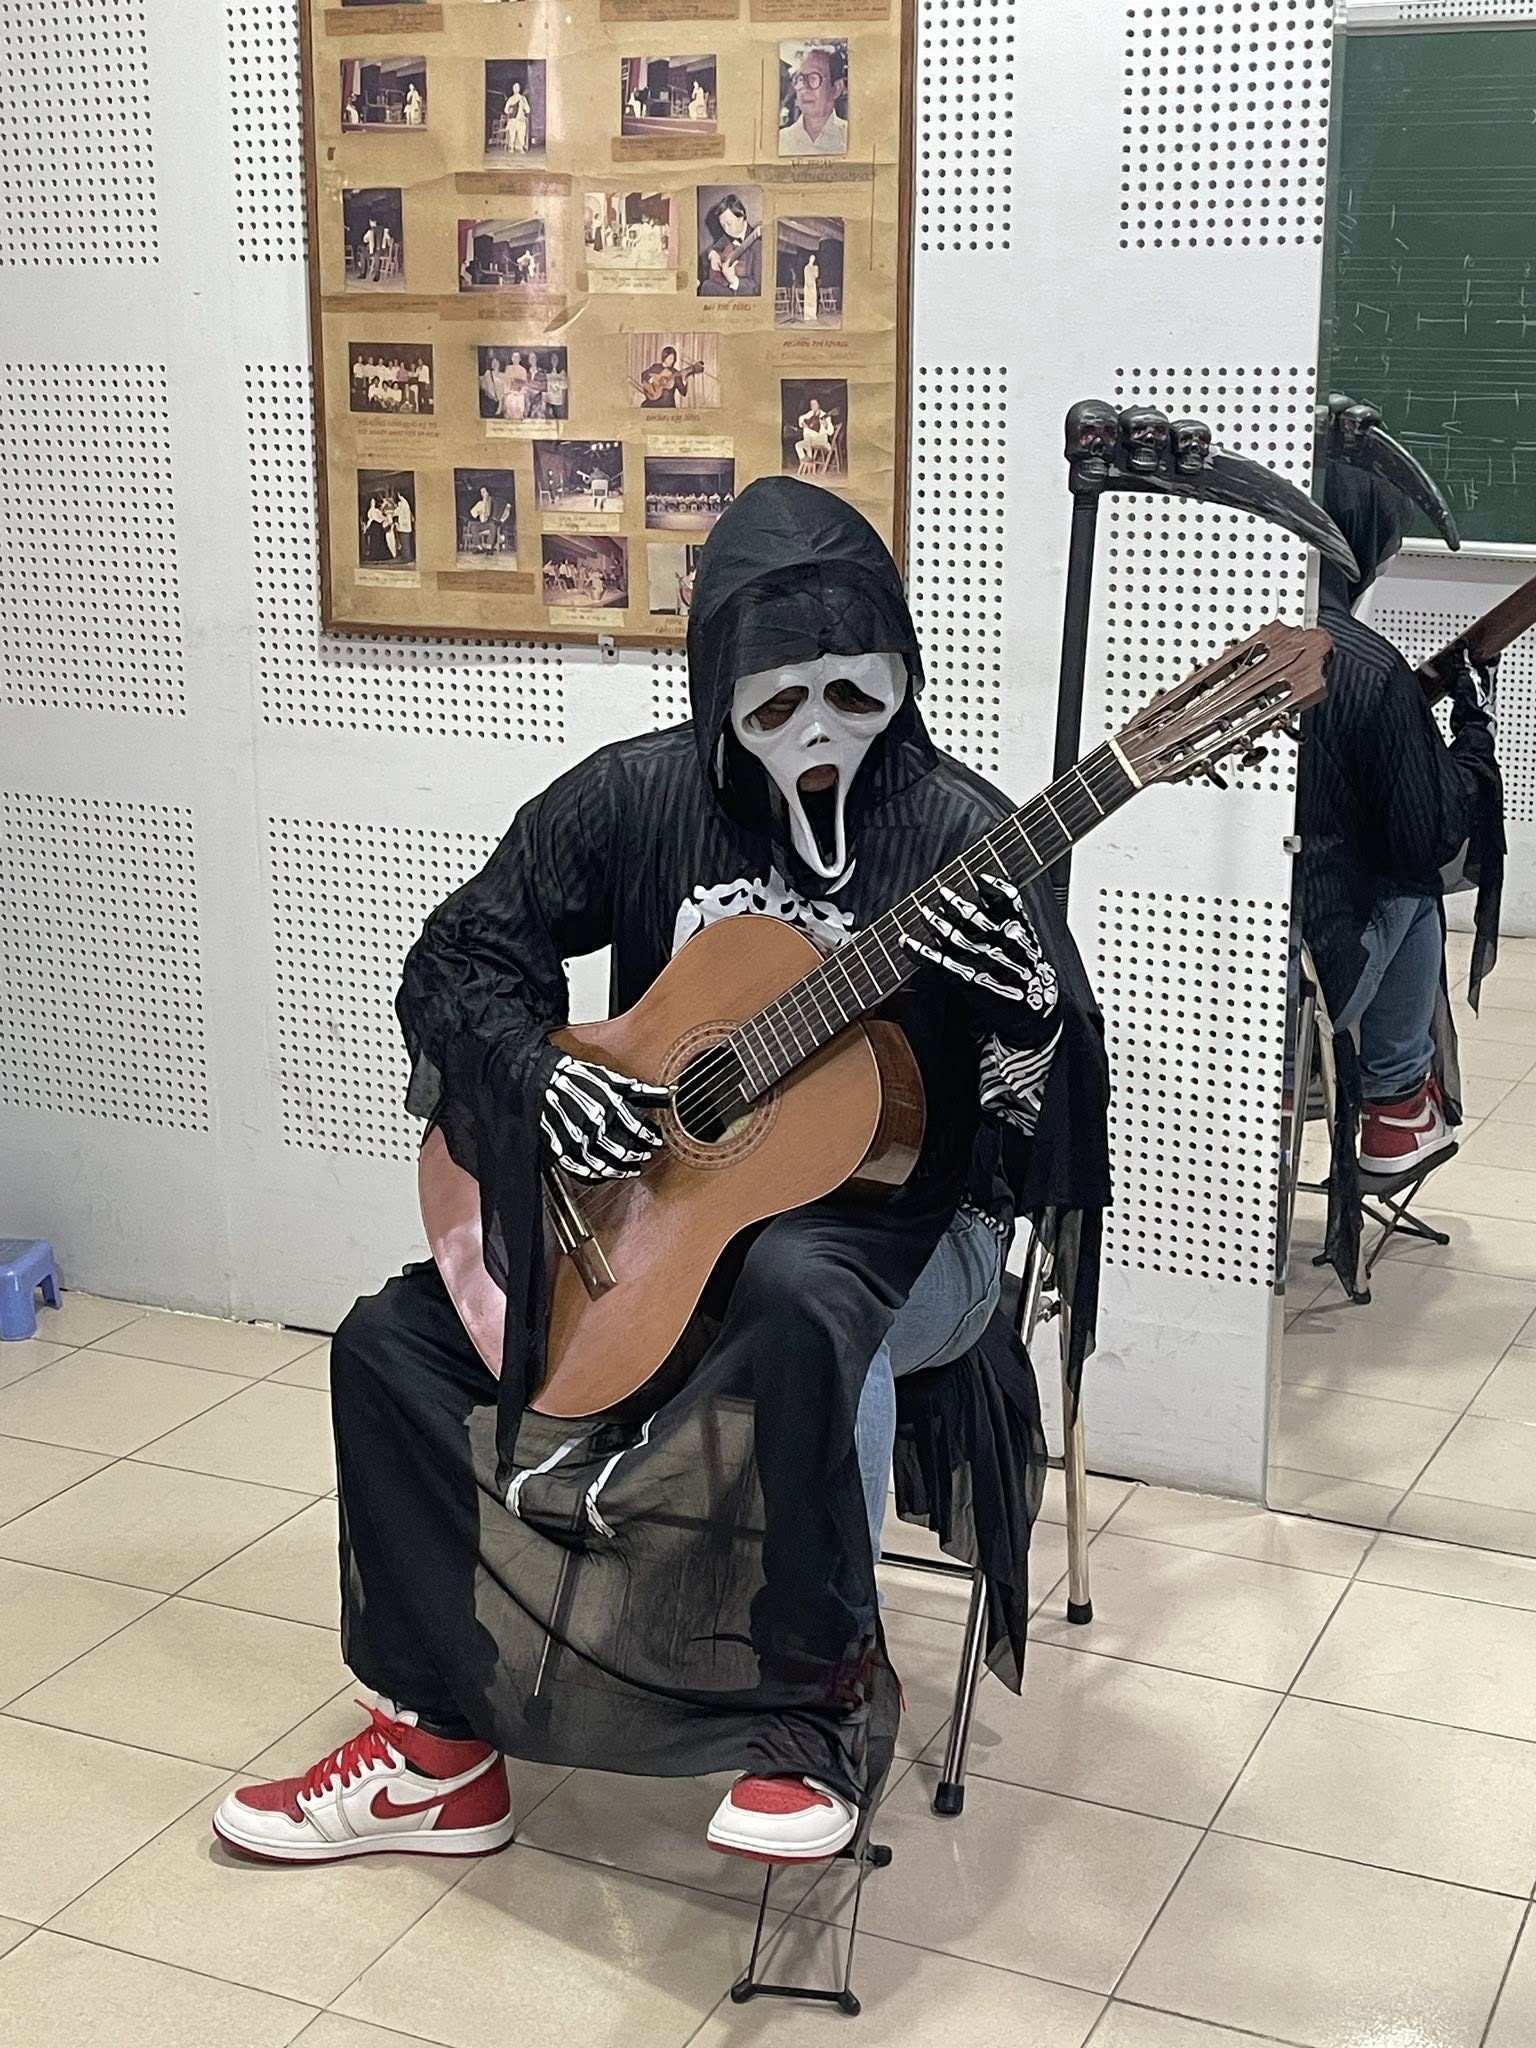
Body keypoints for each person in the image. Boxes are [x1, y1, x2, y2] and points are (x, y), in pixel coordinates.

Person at [211, 478, 1108, 1872]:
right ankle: (439, 1753)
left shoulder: (961, 837)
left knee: (803, 1292)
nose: (820, 734)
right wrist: (541, 1077)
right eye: (778, 704)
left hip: (911, 1236)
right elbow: (462, 952)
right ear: (718, 700)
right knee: (390, 1341)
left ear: (902, 675)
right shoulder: (641, 796)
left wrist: (1030, 1028)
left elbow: (1045, 1136)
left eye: (855, 695)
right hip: (673, 1214)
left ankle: (808, 1717)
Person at [1297, 450, 1503, 1286]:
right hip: (1311, 978)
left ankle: (1353, 1097)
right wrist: (1472, 734)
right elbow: (1429, 835)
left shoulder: (1213, 628)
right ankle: (1395, 1106)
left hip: (1207, 966)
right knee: (1413, 890)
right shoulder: (1367, 664)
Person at [780, 47, 847, 156]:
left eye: (813, 78)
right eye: (800, 79)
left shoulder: (851, 138)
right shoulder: (782, 141)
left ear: (836, 88)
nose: (804, 88)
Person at [700, 194, 760, 298]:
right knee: (706, 285)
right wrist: (713, 254)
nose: (726, 230)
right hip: (726, 286)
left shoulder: (758, 244)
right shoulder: (728, 236)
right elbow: (713, 248)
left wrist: (734, 280)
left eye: (729, 223)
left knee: (707, 287)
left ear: (740, 217)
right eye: (722, 225)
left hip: (745, 294)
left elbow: (758, 288)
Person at [503, 81, 530, 153]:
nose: (516, 89)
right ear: (513, 89)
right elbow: (505, 109)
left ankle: (521, 147)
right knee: (512, 134)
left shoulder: (523, 98)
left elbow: (528, 109)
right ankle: (511, 147)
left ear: (519, 89)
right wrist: (509, 111)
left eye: (517, 87)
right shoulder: (510, 99)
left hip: (521, 119)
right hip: (513, 120)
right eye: (514, 87)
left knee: (521, 134)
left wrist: (524, 110)